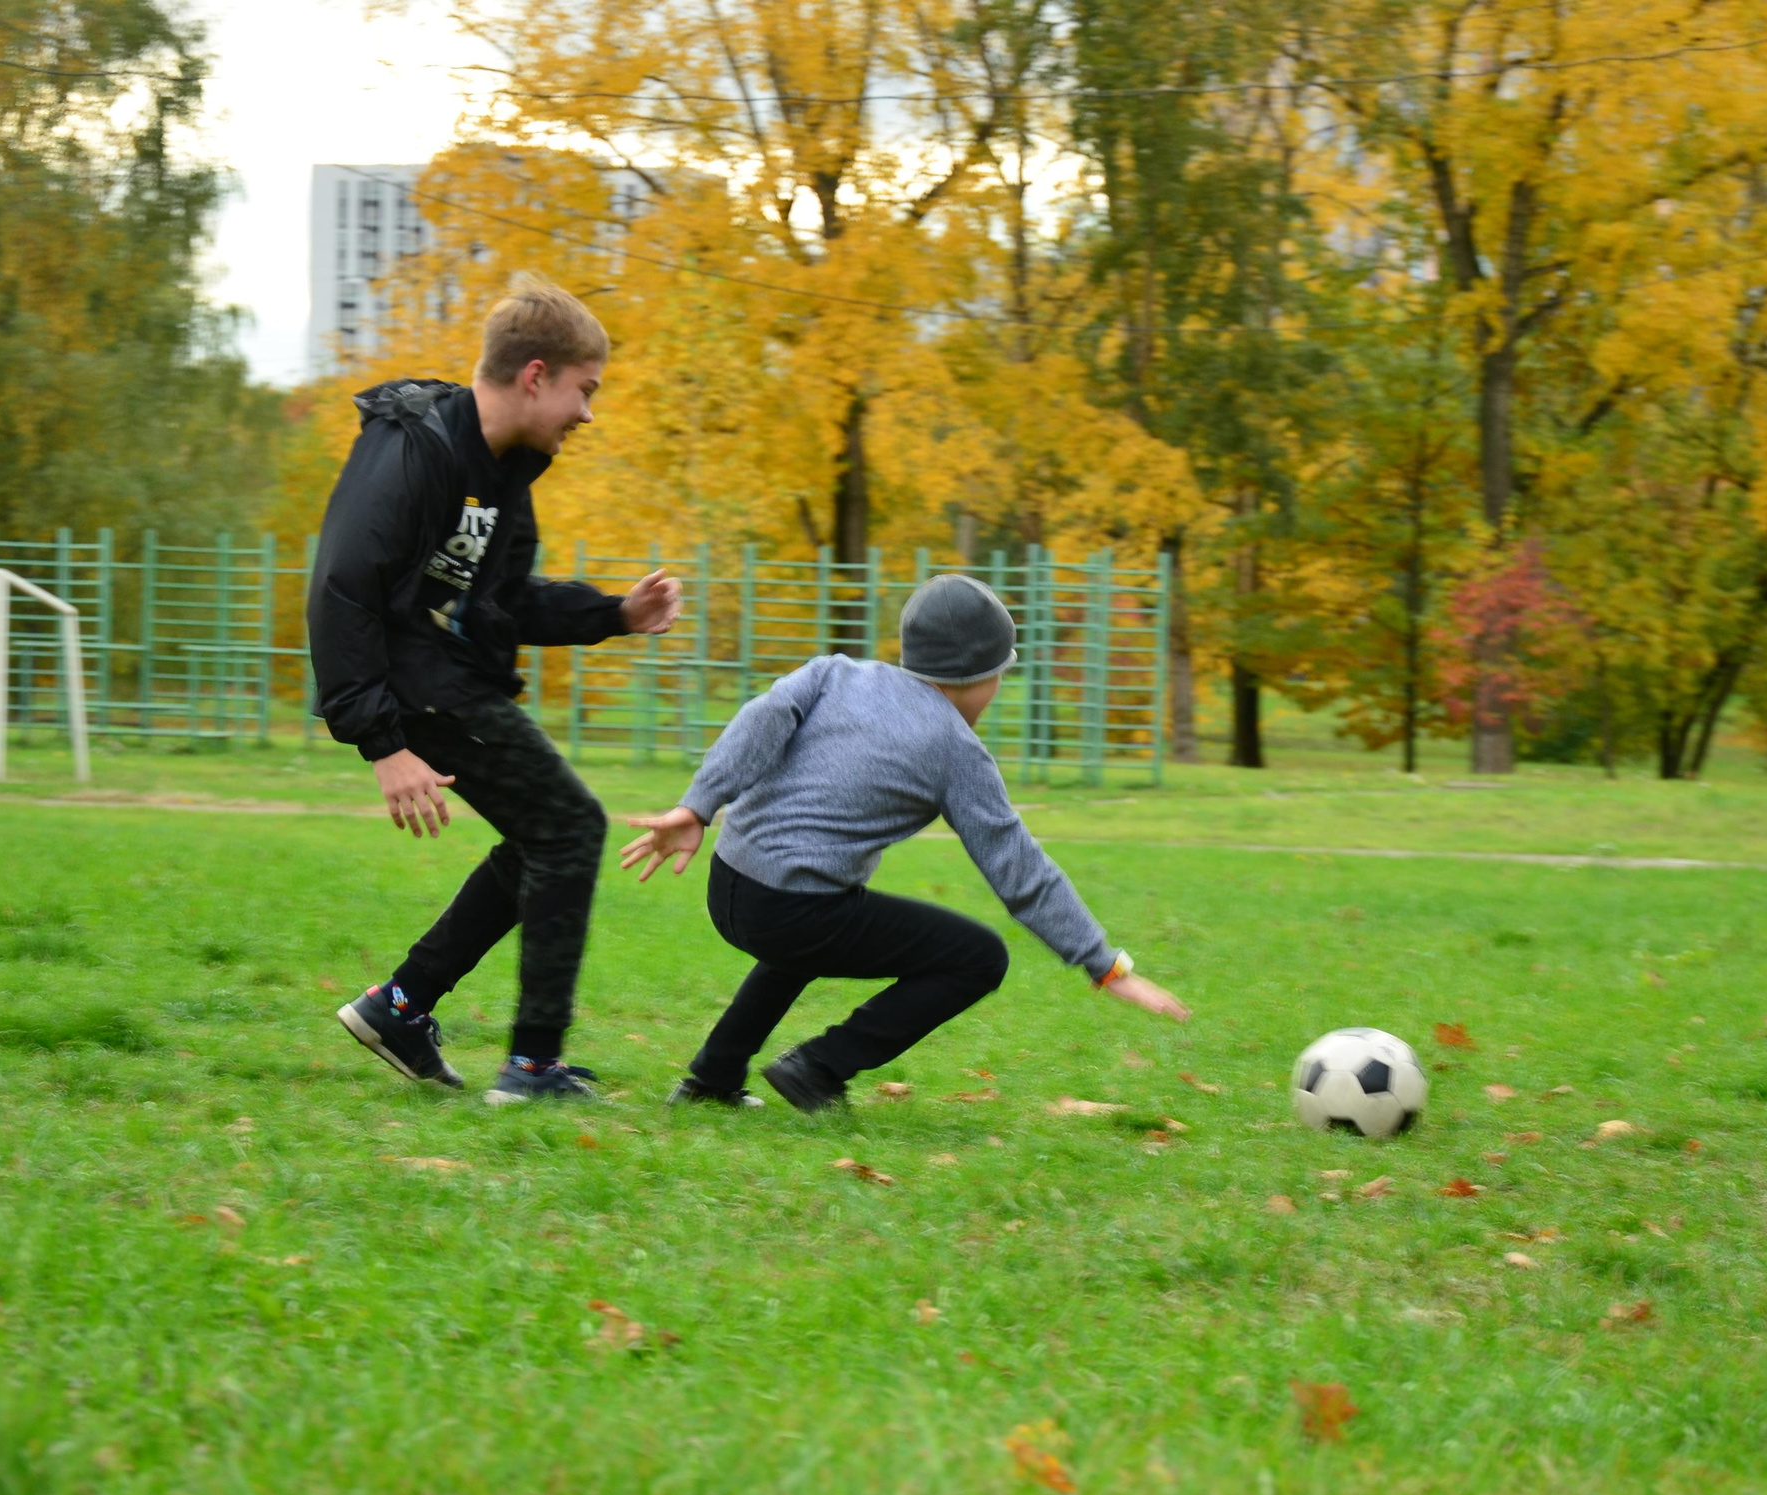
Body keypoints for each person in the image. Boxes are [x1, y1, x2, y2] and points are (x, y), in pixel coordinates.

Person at [616, 572, 1189, 1113]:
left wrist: (697, 805)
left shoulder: (833, 673)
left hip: (731, 882)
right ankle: (819, 1066)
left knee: (809, 940)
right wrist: (1104, 965)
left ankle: (711, 1080)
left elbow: (762, 716)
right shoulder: (955, 749)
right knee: (977, 957)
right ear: (984, 675)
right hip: (794, 907)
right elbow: (1017, 866)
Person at [309, 274, 681, 1104]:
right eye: (585, 391)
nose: (588, 413)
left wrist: (615, 613)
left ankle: (400, 1006)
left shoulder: (505, 470)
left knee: (541, 839)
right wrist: (383, 743)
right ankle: (532, 1067)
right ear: (536, 375)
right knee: (572, 828)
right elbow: (340, 590)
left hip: (437, 674)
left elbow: (504, 603)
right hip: (408, 683)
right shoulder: (415, 450)